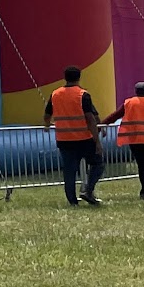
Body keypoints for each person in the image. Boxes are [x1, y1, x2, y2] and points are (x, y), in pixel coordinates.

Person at [44, 66, 105, 206]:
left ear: (64, 77)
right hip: (84, 138)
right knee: (98, 163)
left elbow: (47, 115)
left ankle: (72, 201)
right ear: (79, 77)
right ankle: (88, 190)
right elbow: (90, 118)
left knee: (70, 171)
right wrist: (97, 141)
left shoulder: (55, 94)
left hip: (64, 139)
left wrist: (47, 125)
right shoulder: (82, 94)